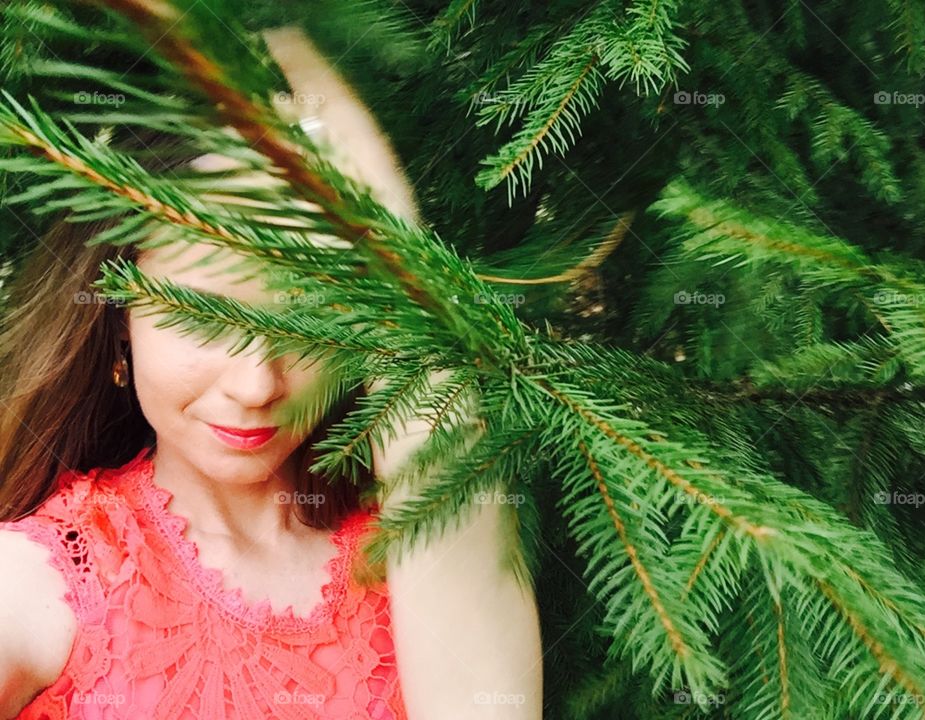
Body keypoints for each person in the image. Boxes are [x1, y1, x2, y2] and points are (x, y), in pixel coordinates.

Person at [0, 25, 543, 719]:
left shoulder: (405, 561)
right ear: (117, 315)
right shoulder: (49, 580)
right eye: (207, 316)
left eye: (306, 320)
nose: (258, 385)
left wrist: (392, 237)